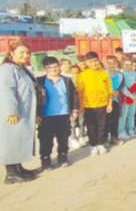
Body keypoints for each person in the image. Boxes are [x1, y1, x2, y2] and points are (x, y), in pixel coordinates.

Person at [0, 40, 41, 183]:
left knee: (19, 140)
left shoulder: (21, 67)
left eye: (28, 52)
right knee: (11, 140)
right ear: (11, 53)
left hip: (24, 111)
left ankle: (19, 169)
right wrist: (11, 111)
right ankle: (11, 174)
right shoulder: (7, 69)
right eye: (21, 52)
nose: (25, 55)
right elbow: (6, 91)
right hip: (14, 112)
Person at [37, 56, 79, 169]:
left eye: (56, 66)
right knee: (45, 139)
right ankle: (45, 160)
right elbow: (35, 99)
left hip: (63, 115)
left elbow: (74, 95)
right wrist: (36, 115)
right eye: (50, 67)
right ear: (45, 69)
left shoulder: (66, 80)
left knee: (63, 138)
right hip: (46, 116)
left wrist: (74, 110)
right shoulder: (39, 81)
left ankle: (63, 157)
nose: (54, 69)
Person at [77, 52, 113, 156]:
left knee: (102, 125)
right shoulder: (82, 75)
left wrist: (109, 104)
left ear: (98, 60)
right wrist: (81, 106)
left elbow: (109, 90)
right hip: (88, 106)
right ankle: (93, 145)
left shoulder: (104, 73)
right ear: (86, 63)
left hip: (103, 104)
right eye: (91, 62)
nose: (93, 63)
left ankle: (100, 143)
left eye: (95, 61)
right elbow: (80, 92)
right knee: (91, 126)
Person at [119, 58, 136, 141]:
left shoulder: (134, 73)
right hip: (125, 97)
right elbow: (122, 88)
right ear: (122, 65)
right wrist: (131, 96)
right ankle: (121, 131)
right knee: (123, 115)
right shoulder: (120, 74)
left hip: (134, 98)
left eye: (129, 65)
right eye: (126, 64)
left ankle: (130, 129)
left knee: (131, 114)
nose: (128, 66)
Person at [105, 56, 123, 144]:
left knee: (115, 120)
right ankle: (105, 139)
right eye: (109, 63)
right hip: (104, 101)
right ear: (106, 64)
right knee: (105, 121)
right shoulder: (103, 74)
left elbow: (120, 86)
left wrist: (118, 91)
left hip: (115, 100)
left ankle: (114, 138)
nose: (111, 65)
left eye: (113, 63)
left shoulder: (120, 75)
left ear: (116, 64)